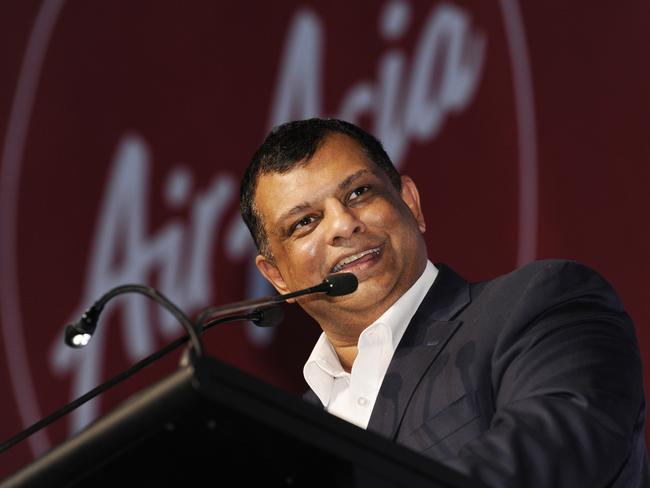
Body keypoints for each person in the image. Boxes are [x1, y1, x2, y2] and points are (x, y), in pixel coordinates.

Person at [239, 117, 650, 487]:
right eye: (305, 222)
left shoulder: (538, 306)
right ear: (276, 275)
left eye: (359, 192)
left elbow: (544, 456)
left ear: (411, 203)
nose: (344, 224)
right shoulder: (285, 442)